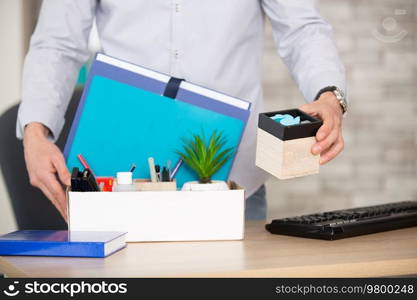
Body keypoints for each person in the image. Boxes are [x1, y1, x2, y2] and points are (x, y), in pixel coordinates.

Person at [17, 0, 347, 223]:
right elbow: (57, 43)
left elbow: (302, 27)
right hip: (122, 184)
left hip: (233, 184)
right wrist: (35, 130)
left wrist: (329, 94)